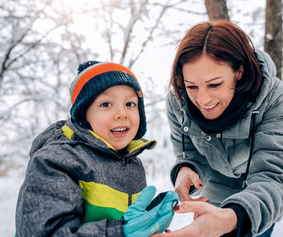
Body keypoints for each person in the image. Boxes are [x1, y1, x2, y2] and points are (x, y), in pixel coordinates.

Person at [155, 20, 283, 237]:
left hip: (255, 206)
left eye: (214, 84)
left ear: (239, 71)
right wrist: (186, 171)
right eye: (192, 86)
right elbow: (189, 154)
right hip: (212, 202)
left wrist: (232, 217)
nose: (202, 99)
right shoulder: (178, 102)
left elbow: (273, 175)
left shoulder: (271, 97)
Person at [15, 61, 178, 236]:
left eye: (130, 104)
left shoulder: (131, 163)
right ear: (84, 114)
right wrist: (121, 231)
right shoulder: (55, 161)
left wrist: (146, 227)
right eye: (106, 104)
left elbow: (124, 220)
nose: (122, 113)